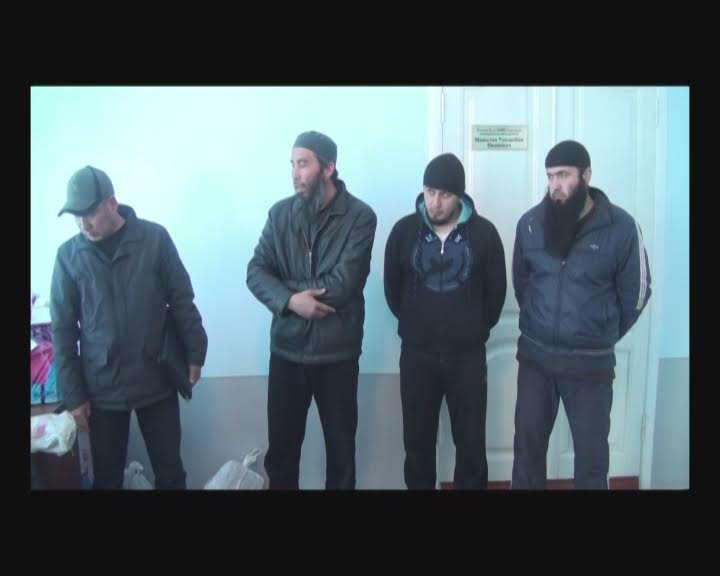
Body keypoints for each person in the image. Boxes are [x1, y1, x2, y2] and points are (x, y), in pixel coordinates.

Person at [50, 165, 208, 489]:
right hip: (102, 388)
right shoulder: (68, 257)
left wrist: (196, 352)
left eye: (90, 213)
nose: (84, 224)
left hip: (156, 378)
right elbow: (63, 331)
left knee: (171, 473)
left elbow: (181, 299)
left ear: (112, 202)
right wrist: (74, 395)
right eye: (76, 217)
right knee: (107, 479)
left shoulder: (154, 239)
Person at [511, 140, 651, 489]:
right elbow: (522, 283)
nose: (555, 186)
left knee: (591, 461)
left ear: (586, 175)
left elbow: (636, 293)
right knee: (526, 453)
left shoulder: (621, 228)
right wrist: (542, 323)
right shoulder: (530, 224)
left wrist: (601, 330)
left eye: (563, 175)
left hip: (590, 367)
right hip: (536, 362)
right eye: (549, 176)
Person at [247, 131, 377, 489]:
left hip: (337, 354)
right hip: (287, 352)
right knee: (282, 455)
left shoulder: (360, 217)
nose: (295, 173)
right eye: (292, 164)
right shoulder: (280, 214)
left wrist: (285, 287)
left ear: (328, 168)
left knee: (341, 455)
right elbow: (256, 272)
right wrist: (292, 301)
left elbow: (344, 283)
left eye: (303, 164)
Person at [384, 153, 506, 489]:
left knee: (471, 446)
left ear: (460, 195)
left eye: (445, 194)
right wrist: (416, 323)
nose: (435, 202)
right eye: (430, 192)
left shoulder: (484, 234)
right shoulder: (404, 232)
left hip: (467, 358)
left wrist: (473, 328)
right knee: (417, 445)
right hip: (417, 356)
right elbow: (392, 289)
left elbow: (496, 294)